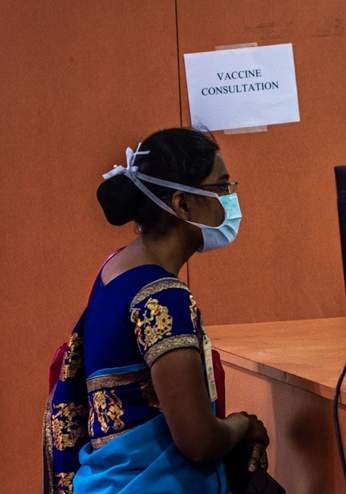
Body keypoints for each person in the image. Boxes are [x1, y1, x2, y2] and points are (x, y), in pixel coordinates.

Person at [44, 128, 267, 493]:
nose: (231, 199)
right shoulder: (162, 297)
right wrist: (244, 424)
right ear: (182, 204)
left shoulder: (115, 268)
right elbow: (198, 441)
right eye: (222, 187)